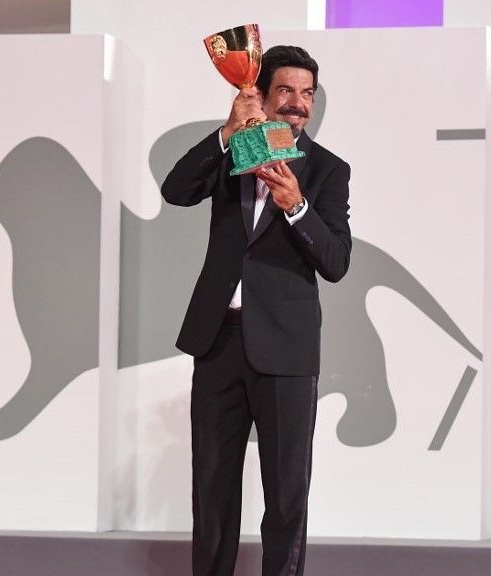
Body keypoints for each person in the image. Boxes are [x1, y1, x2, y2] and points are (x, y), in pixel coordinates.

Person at [160, 45, 352, 576]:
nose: (297, 103)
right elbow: (175, 190)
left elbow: (336, 262)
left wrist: (297, 207)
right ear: (261, 95)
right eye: (286, 90)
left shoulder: (327, 170)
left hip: (286, 349)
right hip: (217, 340)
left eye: (307, 93)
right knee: (212, 490)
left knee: (286, 495)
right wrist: (226, 132)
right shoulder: (232, 154)